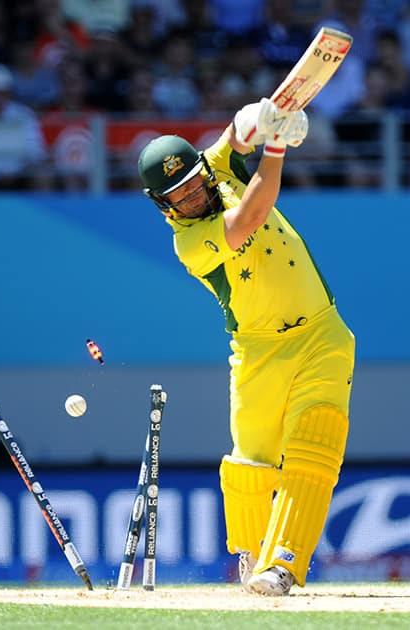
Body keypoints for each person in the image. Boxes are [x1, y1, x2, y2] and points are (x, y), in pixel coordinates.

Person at [137, 98, 355, 596]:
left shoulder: (214, 169)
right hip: (257, 352)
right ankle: (253, 557)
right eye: (180, 195)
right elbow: (255, 210)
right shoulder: (190, 242)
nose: (194, 196)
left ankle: (283, 565)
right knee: (249, 463)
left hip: (322, 334)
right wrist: (276, 145)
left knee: (315, 446)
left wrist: (267, 114)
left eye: (193, 183)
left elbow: (238, 128)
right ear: (164, 205)